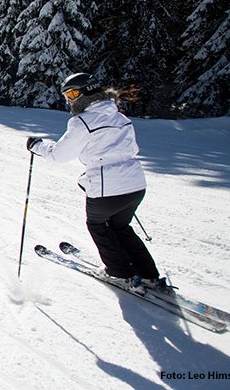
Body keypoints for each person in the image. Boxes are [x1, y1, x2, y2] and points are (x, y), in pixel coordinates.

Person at [26, 72, 164, 290]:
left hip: (107, 187)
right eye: (66, 96)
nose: (69, 101)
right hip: (135, 185)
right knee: (121, 226)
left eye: (72, 94)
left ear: (87, 93)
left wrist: (37, 147)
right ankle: (148, 274)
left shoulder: (82, 122)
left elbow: (60, 155)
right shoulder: (119, 117)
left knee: (98, 225)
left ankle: (119, 273)